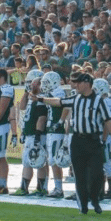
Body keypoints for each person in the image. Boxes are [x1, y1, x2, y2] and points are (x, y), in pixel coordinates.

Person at [41, 72, 111, 214]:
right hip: (78, 140)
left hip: (93, 140)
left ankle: (94, 198)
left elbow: (108, 120)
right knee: (80, 175)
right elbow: (59, 102)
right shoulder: (76, 99)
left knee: (97, 174)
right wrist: (41, 99)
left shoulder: (99, 101)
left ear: (87, 84)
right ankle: (83, 204)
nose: (76, 85)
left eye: (79, 83)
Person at [12, 70, 48, 197]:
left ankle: (31, 187)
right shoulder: (31, 98)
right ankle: (35, 187)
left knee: (36, 161)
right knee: (29, 161)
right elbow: (21, 107)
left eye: (32, 83)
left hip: (35, 135)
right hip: (29, 134)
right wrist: (27, 92)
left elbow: (42, 118)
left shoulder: (40, 100)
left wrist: (38, 135)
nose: (30, 85)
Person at [43, 71, 68, 199]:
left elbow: (64, 106)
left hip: (56, 130)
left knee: (54, 159)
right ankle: (57, 187)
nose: (45, 85)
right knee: (51, 159)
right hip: (50, 130)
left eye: (47, 82)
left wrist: (60, 122)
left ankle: (59, 189)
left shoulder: (58, 91)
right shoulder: (50, 93)